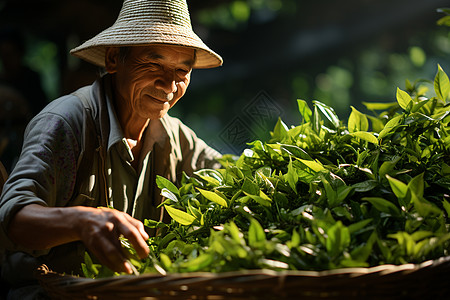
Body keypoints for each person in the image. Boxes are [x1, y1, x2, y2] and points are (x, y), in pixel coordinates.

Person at [0, 0, 223, 298]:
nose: (170, 84)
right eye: (154, 63)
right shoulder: (67, 123)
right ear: (114, 59)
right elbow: (14, 219)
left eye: (182, 70)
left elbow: (230, 175)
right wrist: (82, 221)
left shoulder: (177, 139)